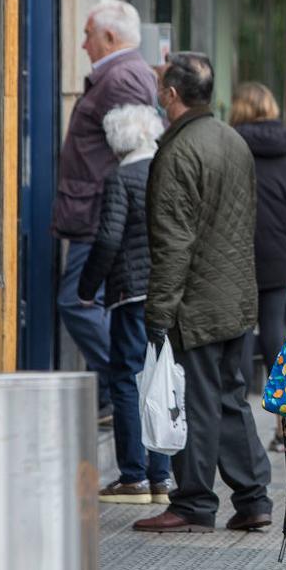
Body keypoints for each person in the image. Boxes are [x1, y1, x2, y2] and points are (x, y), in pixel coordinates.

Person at [133, 53, 273, 534]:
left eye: (160, 86)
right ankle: (254, 498)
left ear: (171, 95)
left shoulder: (178, 151)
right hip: (236, 295)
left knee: (194, 400)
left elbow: (173, 243)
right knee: (230, 397)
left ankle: (193, 503)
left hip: (196, 301)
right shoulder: (232, 140)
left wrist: (158, 312)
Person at [53, 0, 158, 421]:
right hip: (93, 209)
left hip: (100, 213)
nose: (82, 44)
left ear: (110, 37)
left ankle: (122, 388)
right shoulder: (121, 73)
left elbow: (137, 147)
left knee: (76, 302)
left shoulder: (124, 75)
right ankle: (119, 387)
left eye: (88, 34)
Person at [77, 104, 172, 505]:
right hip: (168, 292)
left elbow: (109, 239)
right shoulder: (167, 171)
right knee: (159, 379)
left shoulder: (122, 177)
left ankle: (133, 475)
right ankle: (162, 476)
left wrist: (87, 286)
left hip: (131, 293)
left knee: (127, 379)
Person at [230, 82, 286, 453]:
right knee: (275, 332)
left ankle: (238, 426)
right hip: (279, 245)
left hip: (239, 246)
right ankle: (285, 425)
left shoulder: (231, 142)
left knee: (240, 330)